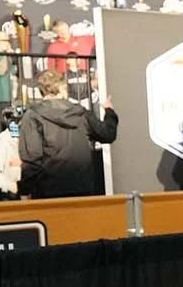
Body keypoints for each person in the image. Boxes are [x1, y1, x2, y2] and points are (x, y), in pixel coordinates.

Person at [17, 70, 117, 198]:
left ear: (41, 91)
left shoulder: (33, 116)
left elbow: (32, 158)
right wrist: (109, 112)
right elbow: (107, 134)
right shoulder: (81, 113)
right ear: (62, 88)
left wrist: (25, 190)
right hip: (82, 188)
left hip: (48, 190)